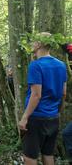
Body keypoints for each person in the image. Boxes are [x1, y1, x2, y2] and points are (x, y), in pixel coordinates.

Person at [18, 32, 67, 165]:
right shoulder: (61, 65)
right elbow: (63, 93)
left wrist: (25, 117)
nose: (32, 44)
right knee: (48, 153)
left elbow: (36, 95)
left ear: (39, 44)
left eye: (34, 41)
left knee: (30, 156)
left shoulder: (36, 65)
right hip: (53, 118)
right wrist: (57, 111)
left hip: (36, 118)